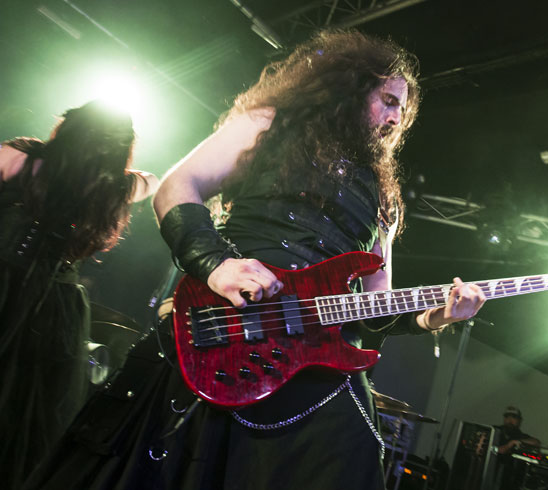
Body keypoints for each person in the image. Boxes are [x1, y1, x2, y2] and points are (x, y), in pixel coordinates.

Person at [24, 30, 485, 490]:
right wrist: (216, 264)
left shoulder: (384, 200)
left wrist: (435, 317)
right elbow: (178, 186)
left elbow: (375, 306)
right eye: (388, 100)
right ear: (352, 85)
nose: (396, 117)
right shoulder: (271, 122)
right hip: (225, 331)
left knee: (350, 455)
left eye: (403, 111)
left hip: (316, 366)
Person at [0, 100, 156, 489]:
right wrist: (112, 168)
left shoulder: (20, 158)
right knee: (26, 417)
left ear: (68, 128)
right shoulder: (116, 188)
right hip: (55, 308)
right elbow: (152, 181)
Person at [490, 406, 541, 489]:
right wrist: (509, 445)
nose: (510, 420)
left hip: (509, 479)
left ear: (519, 421)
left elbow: (536, 442)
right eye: (507, 417)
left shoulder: (519, 435)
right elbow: (495, 450)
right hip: (490, 472)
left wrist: (518, 441)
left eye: (514, 418)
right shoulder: (495, 431)